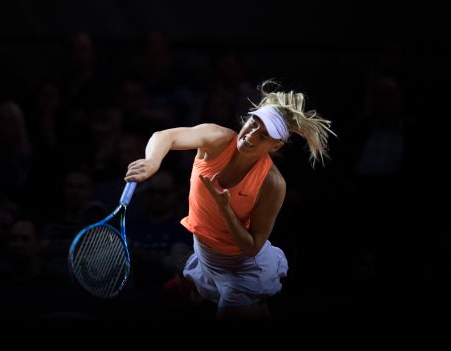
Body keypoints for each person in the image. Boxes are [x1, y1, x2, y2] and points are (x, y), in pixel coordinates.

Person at [124, 80, 334, 320]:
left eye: (264, 135)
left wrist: (225, 209)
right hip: (204, 255)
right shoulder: (217, 139)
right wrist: (152, 162)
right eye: (253, 123)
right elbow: (165, 136)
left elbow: (252, 246)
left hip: (241, 270)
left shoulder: (272, 184)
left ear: (276, 146)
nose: (252, 136)